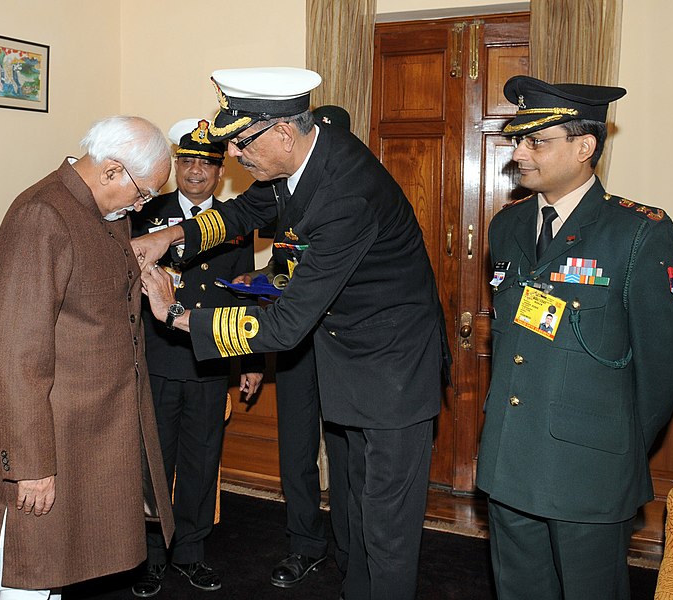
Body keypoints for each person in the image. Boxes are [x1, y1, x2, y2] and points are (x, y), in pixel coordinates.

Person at [133, 67, 450, 600]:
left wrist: (172, 315)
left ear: (282, 132)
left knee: (386, 524)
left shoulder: (345, 196)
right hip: (348, 354)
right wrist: (169, 236)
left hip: (392, 370)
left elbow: (283, 324)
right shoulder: (303, 159)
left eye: (241, 142)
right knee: (352, 503)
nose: (234, 156)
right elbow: (240, 213)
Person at [476, 75, 673, 600]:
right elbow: (513, 341)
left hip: (589, 468)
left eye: (536, 141)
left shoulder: (637, 231)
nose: (520, 152)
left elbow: (664, 363)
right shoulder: (506, 227)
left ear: (584, 146)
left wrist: (616, 447)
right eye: (519, 139)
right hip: (511, 460)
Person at [0, 115, 175, 599]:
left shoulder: (106, 215)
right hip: (48, 435)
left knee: (56, 570)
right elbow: (17, 355)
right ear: (110, 171)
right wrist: (32, 464)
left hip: (89, 433)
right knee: (27, 570)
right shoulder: (43, 215)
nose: (142, 206)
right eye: (142, 193)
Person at [129, 119, 264, 596]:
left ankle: (190, 552)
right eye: (186, 161)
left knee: (203, 460)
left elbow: (246, 293)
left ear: (220, 170)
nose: (194, 171)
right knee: (153, 462)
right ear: (174, 166)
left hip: (209, 360)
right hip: (158, 358)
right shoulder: (148, 214)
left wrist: (250, 360)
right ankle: (149, 556)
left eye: (205, 163)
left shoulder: (234, 222)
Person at [231, 106, 352, 590]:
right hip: (295, 345)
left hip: (347, 348)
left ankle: (349, 550)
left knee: (346, 459)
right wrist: (257, 280)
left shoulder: (352, 194)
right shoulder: (283, 191)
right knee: (296, 453)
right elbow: (286, 274)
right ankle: (305, 545)